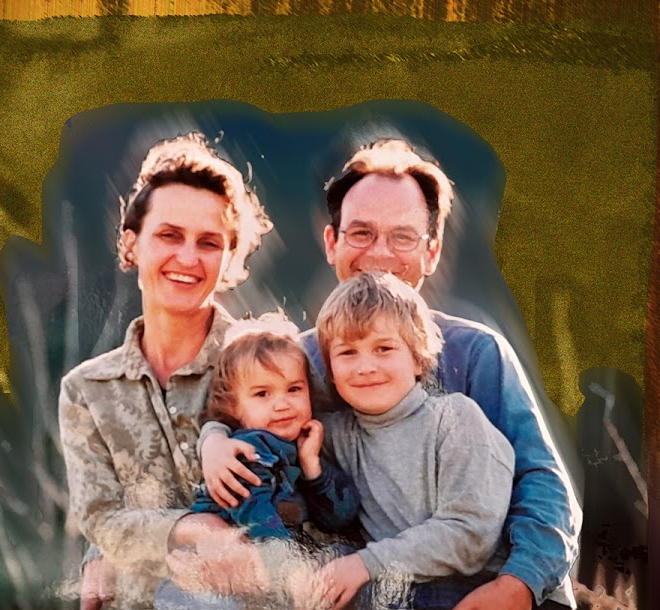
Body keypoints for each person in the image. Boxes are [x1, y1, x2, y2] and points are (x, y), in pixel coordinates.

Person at [198, 138, 581, 610]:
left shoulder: (475, 353)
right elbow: (238, 411)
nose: (380, 253)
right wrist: (213, 439)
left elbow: (542, 482)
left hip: (486, 581)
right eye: (361, 233)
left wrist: (520, 582)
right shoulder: (298, 362)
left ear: (432, 250)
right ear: (331, 242)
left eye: (402, 237)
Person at [58, 131, 273, 610]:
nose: (188, 258)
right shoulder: (86, 390)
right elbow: (101, 518)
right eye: (169, 235)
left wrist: (129, 542)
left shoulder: (269, 367)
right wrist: (191, 527)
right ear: (131, 244)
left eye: (210, 242)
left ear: (230, 255)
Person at [310, 271, 515, 610]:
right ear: (330, 369)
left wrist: (365, 564)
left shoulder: (455, 419)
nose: (365, 366)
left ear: (419, 358)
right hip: (394, 589)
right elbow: (264, 432)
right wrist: (215, 440)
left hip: (465, 591)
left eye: (384, 348)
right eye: (348, 353)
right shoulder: (334, 433)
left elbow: (470, 534)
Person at [154, 313, 361, 609]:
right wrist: (292, 573)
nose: (282, 403)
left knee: (341, 557)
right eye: (262, 394)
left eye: (294, 389)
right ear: (234, 407)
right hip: (209, 576)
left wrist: (313, 468)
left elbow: (340, 516)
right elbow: (256, 511)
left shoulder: (294, 447)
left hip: (259, 561)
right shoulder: (247, 451)